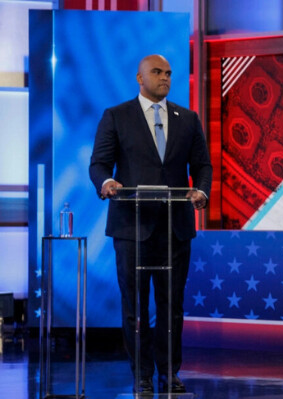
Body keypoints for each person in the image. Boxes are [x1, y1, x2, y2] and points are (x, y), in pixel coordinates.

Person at [89, 54, 212, 394]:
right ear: (140, 78)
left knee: (172, 306)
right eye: (157, 73)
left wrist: (201, 190)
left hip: (175, 228)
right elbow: (99, 164)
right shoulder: (116, 116)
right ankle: (141, 374)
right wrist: (106, 184)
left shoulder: (187, 119)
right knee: (135, 307)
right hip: (132, 228)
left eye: (169, 73)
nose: (165, 78)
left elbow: (203, 165)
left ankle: (169, 373)